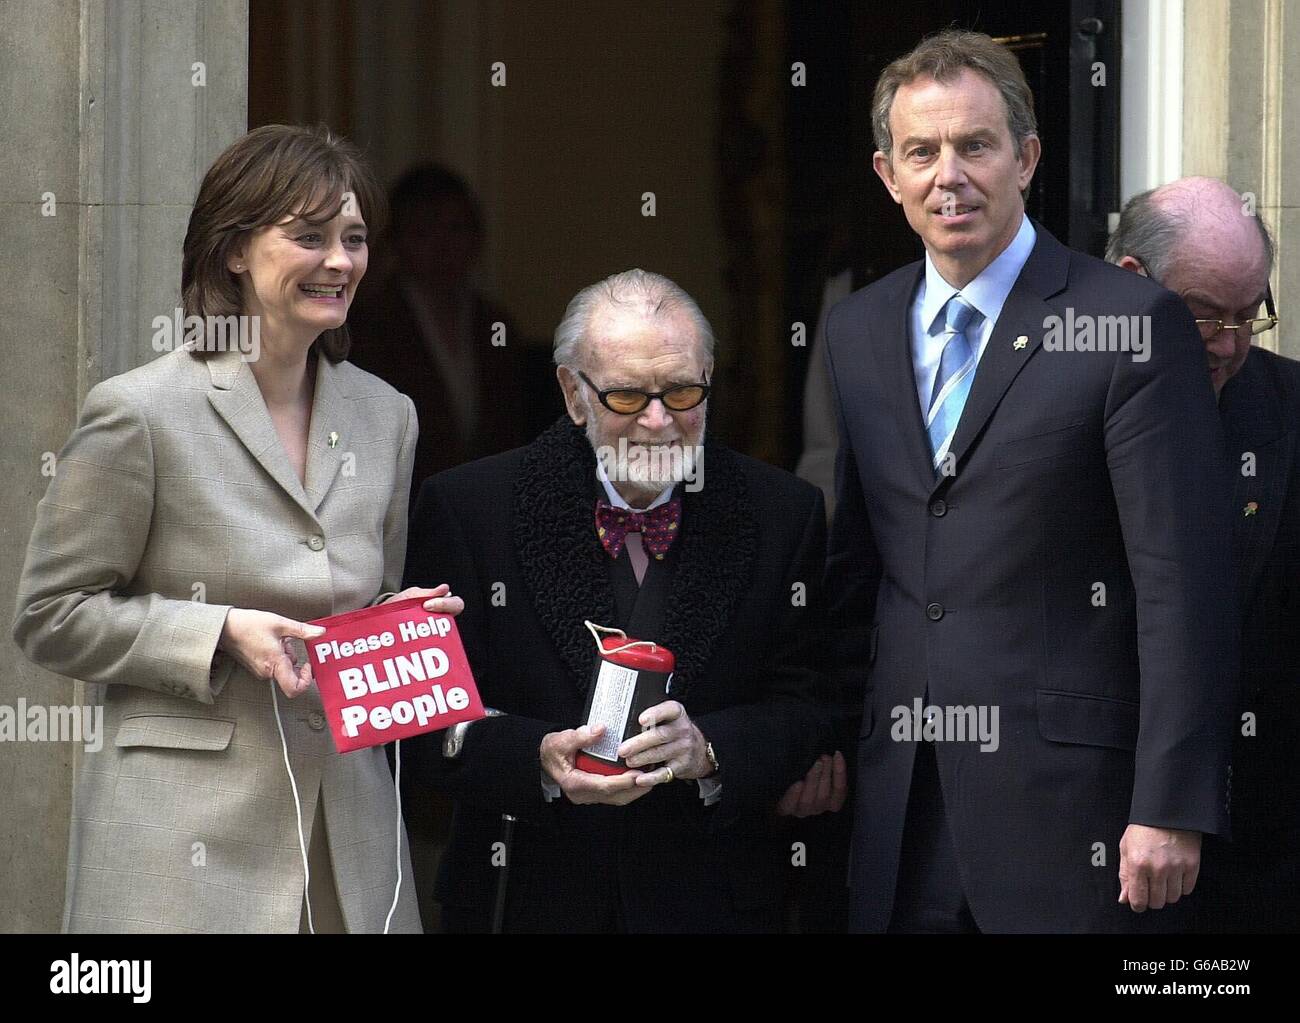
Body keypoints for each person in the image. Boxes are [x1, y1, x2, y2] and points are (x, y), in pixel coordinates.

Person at [823, 30, 1237, 932]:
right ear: (888, 175)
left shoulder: (1129, 323)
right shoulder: (858, 330)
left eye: (976, 145)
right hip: (903, 806)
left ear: (1028, 157)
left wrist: (1170, 802)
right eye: (921, 152)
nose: (950, 175)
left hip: (1074, 815)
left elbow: (1184, 586)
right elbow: (862, 567)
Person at [12, 124, 461, 933]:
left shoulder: (387, 414)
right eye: (309, 236)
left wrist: (404, 626)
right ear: (234, 251)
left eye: (354, 239)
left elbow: (373, 591)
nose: (340, 261)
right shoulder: (141, 411)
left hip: (349, 839)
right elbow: (51, 615)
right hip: (183, 847)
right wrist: (219, 630)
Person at [403, 269, 831, 933]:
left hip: (714, 903)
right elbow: (422, 724)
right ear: (574, 393)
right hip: (524, 897)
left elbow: (809, 705)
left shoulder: (786, 513)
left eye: (683, 391)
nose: (659, 421)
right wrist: (534, 756)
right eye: (628, 395)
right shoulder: (468, 508)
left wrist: (710, 748)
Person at [1108, 176, 1300, 933]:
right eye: (1206, 316)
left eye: (1249, 314)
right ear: (1131, 287)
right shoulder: (1041, 397)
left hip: (1255, 872)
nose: (1231, 343)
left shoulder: (1287, 410)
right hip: (1069, 854)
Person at [346, 163, 536, 499]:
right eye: (423, 232)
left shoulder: (494, 323)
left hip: (486, 502)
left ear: (476, 237)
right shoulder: (368, 323)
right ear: (395, 240)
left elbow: (512, 428)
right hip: (400, 503)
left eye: (455, 229)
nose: (442, 247)